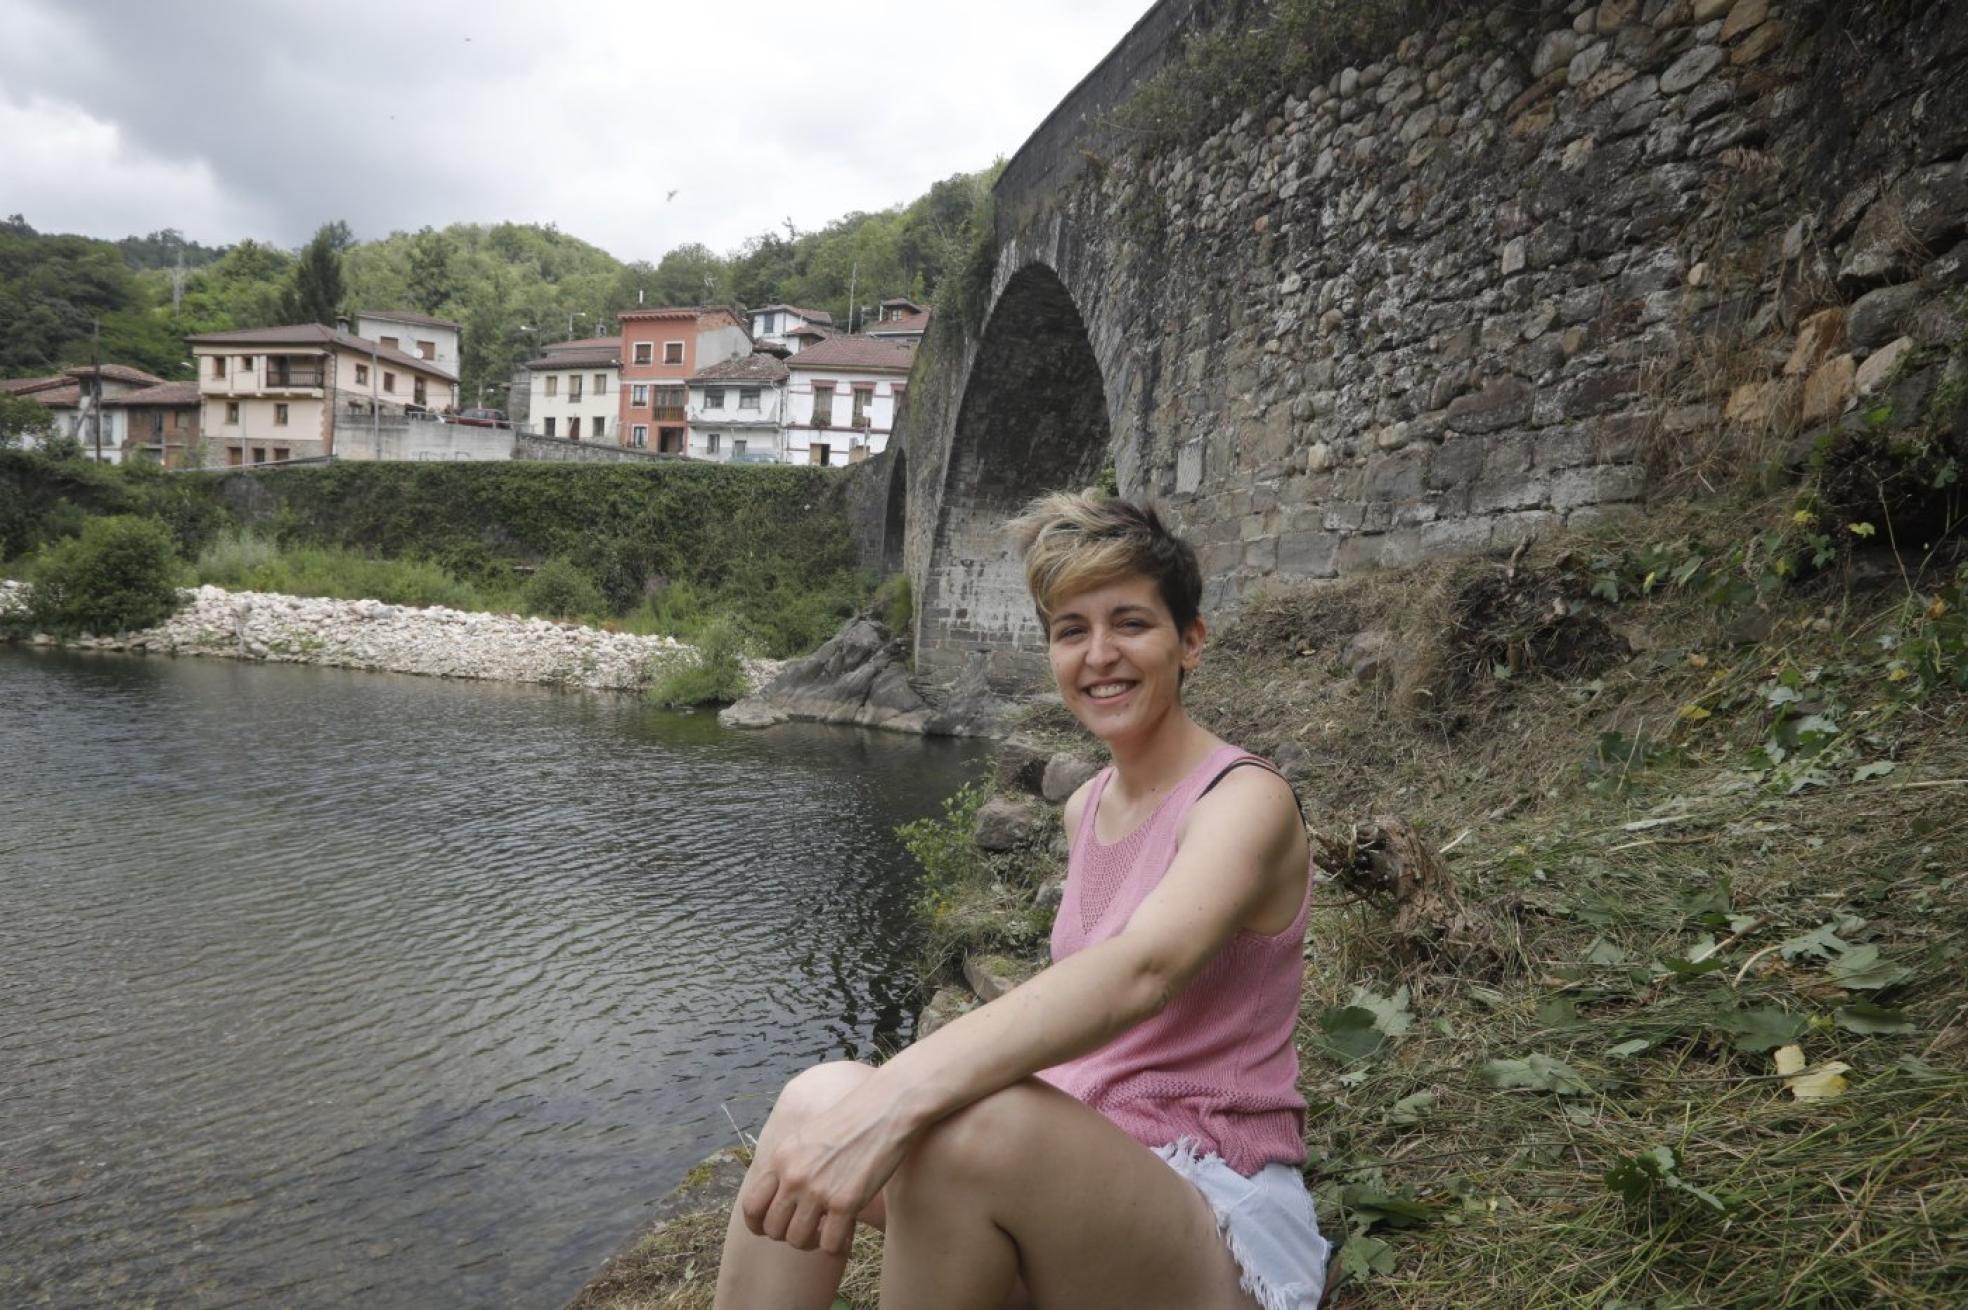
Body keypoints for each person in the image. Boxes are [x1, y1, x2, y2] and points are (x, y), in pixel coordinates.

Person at [714, 492, 1330, 1309]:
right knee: (812, 1100)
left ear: (1191, 642)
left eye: (1131, 623)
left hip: (1211, 1207)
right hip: (1080, 1172)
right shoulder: (1087, 807)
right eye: (1071, 630)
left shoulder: (1243, 799)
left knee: (966, 1131)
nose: (1099, 654)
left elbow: (1144, 969)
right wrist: (868, 1104)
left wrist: (899, 1096)